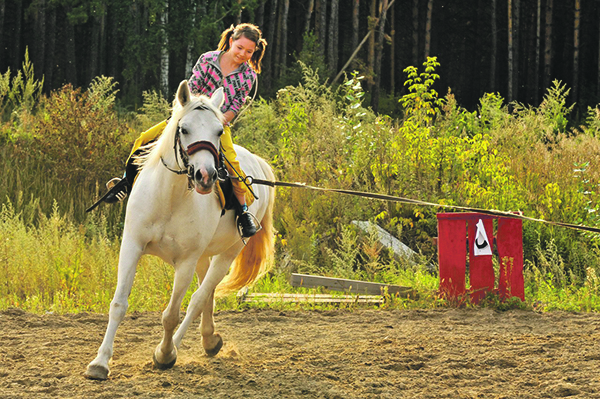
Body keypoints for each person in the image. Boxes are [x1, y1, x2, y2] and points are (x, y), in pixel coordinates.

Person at [103, 23, 267, 238]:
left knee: (234, 166)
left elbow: (235, 106)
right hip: (189, 117)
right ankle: (126, 182)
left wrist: (218, 120)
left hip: (216, 124)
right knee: (144, 138)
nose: (243, 54)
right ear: (230, 42)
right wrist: (190, 113)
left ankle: (243, 212)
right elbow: (192, 86)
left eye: (249, 51)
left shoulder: (249, 76)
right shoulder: (208, 59)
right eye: (240, 48)